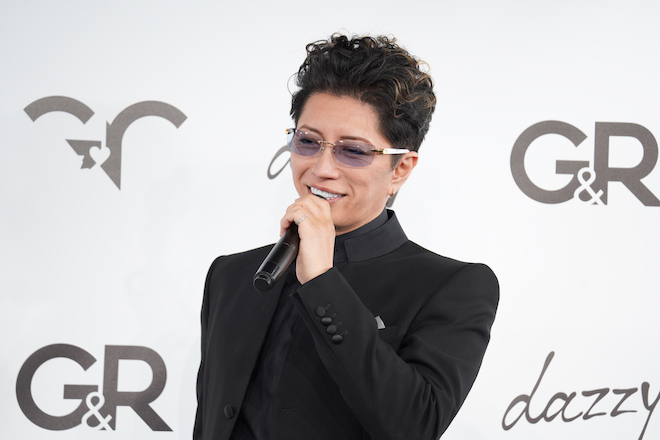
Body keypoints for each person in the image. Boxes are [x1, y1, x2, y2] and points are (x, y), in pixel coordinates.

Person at [194, 34, 499, 440]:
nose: (322, 168)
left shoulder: (453, 287)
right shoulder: (231, 275)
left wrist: (322, 282)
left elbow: (415, 427)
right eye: (308, 142)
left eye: (352, 151)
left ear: (400, 169)